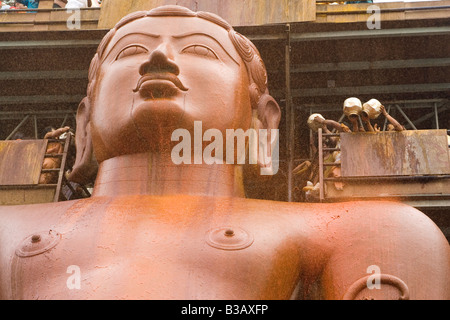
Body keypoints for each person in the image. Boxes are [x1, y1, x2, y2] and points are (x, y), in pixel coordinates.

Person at [0, 5, 448, 300]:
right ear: (84, 121)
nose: (158, 57)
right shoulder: (7, 228)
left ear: (262, 121)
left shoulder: (359, 229)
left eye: (199, 50)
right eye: (131, 50)